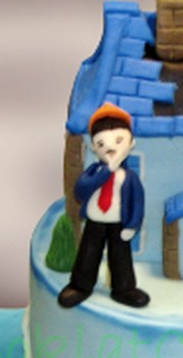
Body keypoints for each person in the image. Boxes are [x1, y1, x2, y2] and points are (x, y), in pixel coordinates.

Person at [58, 103, 150, 309]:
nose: (110, 148)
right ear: (93, 148)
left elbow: (137, 203)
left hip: (119, 224)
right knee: (88, 254)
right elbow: (81, 191)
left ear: (131, 143)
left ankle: (124, 288)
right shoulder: (94, 172)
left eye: (118, 141)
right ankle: (80, 286)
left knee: (121, 256)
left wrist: (132, 225)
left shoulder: (130, 177)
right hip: (95, 221)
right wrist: (107, 170)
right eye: (101, 143)